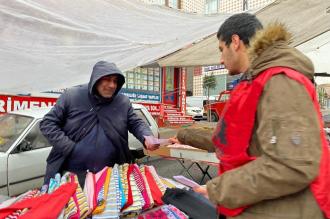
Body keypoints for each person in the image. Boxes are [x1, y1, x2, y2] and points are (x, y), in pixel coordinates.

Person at [174, 13, 330, 219]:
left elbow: (292, 165)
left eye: (222, 49)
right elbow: (231, 139)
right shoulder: (256, 81)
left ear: (236, 42)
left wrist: (218, 189)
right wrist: (184, 135)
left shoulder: (279, 80)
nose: (221, 59)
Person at [40, 61, 158, 186]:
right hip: (72, 175)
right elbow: (47, 124)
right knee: (73, 205)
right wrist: (69, 148)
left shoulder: (122, 102)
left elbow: (135, 122)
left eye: (115, 81)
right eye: (107, 79)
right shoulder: (72, 96)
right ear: (96, 80)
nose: (112, 85)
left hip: (111, 175)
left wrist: (146, 136)